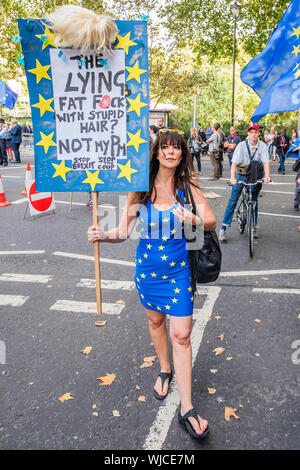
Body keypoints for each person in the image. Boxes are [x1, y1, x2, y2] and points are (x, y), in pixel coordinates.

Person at [87, 129, 216, 440]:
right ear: (157, 152)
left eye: (176, 149)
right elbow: (122, 231)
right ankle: (164, 369)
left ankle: (186, 407)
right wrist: (102, 235)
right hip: (147, 272)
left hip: (178, 274)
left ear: (183, 155)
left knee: (182, 335)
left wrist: (194, 220)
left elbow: (211, 220)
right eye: (165, 148)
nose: (170, 153)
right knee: (155, 320)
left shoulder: (188, 187)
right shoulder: (140, 189)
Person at [219, 124, 271, 242]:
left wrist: (267, 176)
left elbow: (266, 162)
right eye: (251, 132)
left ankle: (253, 227)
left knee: (254, 202)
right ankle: (223, 228)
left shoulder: (262, 146)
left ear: (259, 134)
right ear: (248, 133)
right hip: (240, 175)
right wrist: (232, 178)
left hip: (254, 176)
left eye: (255, 132)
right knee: (233, 200)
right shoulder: (241, 146)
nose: (253, 134)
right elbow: (234, 164)